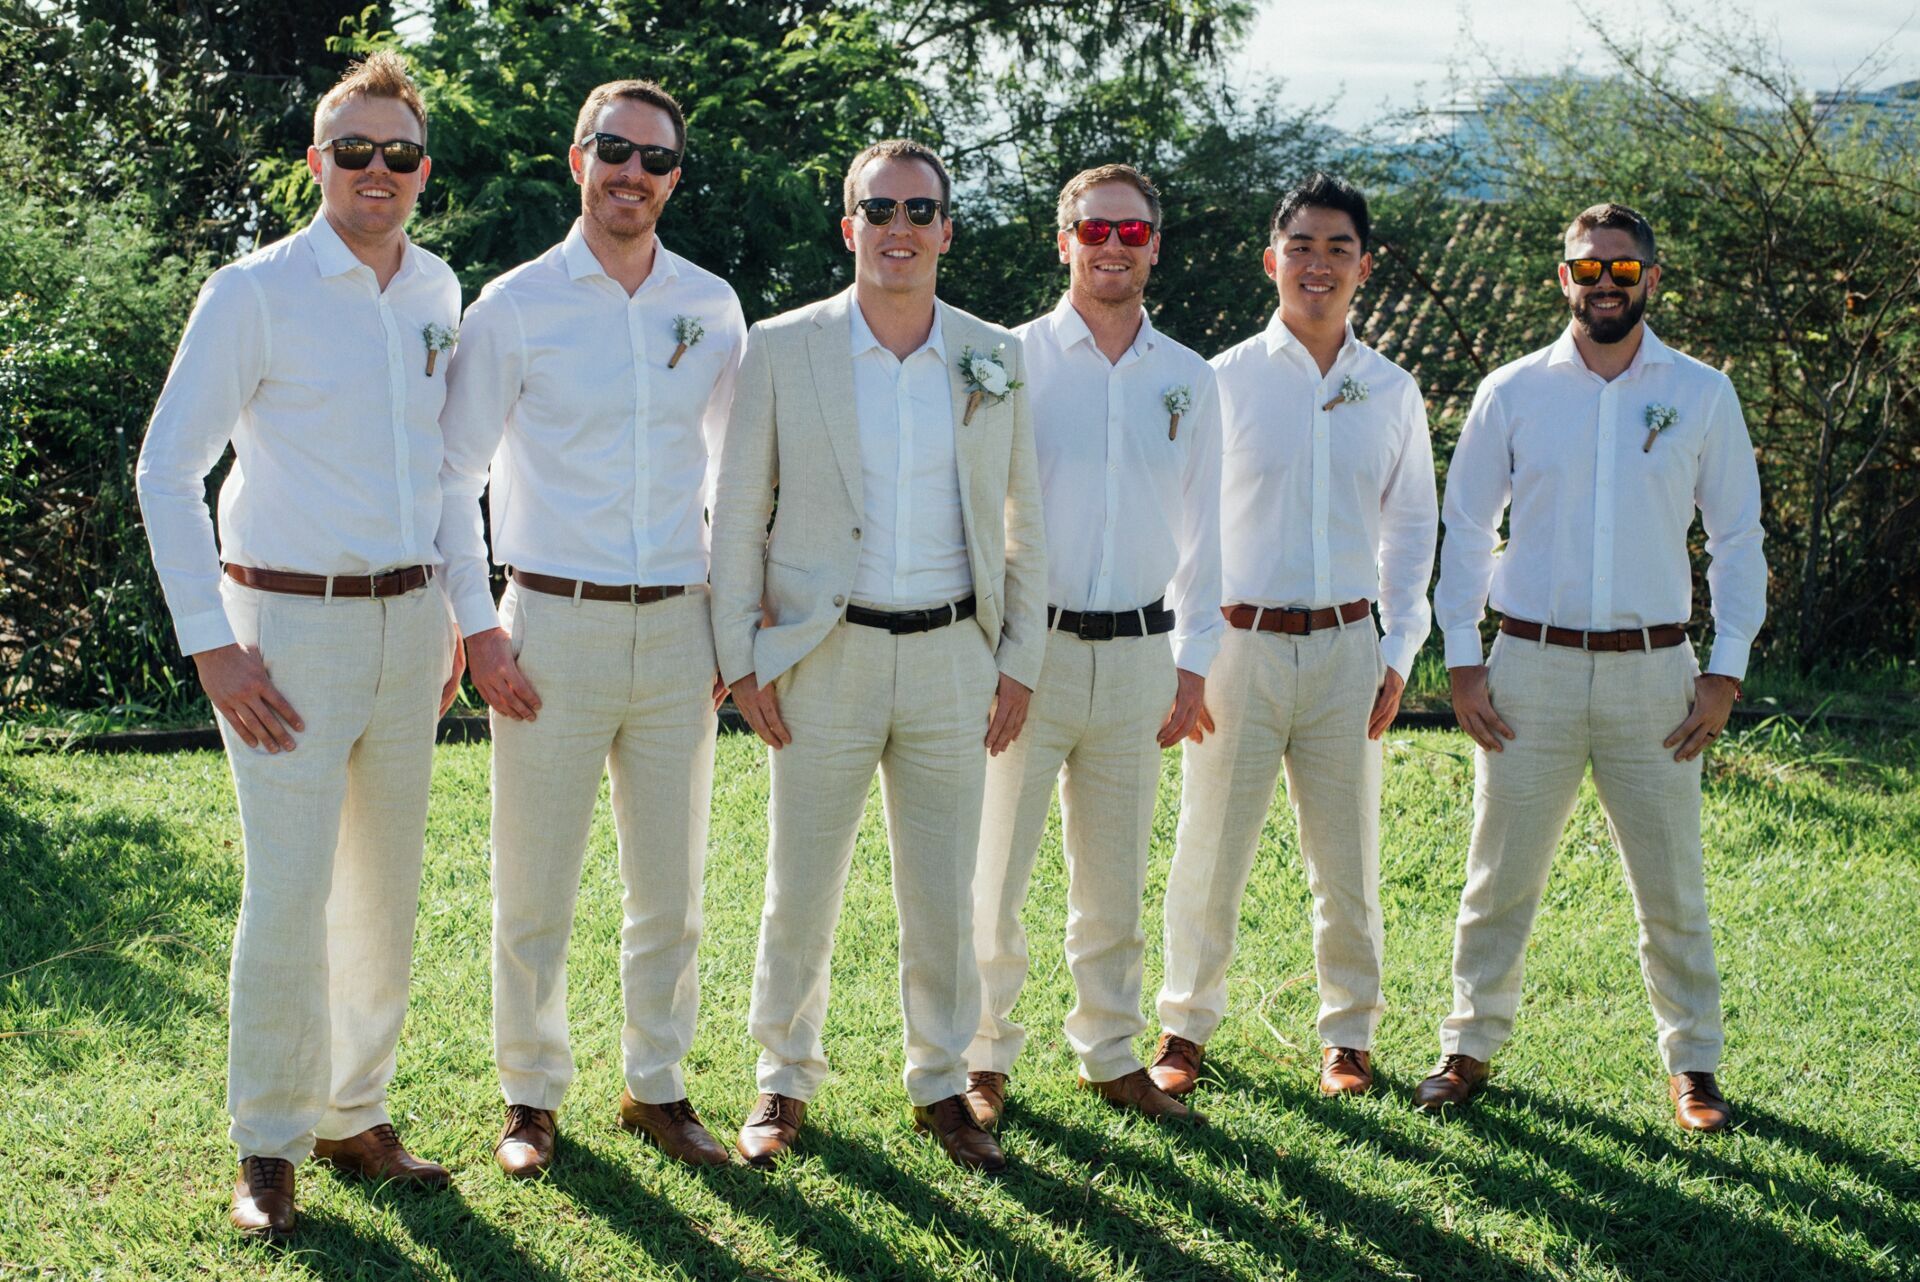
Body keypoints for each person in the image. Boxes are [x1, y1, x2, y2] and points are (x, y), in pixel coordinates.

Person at [135, 52, 464, 1236]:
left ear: (423, 170)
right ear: (317, 161)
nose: (379, 172)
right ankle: (267, 1145)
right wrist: (212, 647)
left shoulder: (438, 289)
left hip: (406, 624)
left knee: (384, 892)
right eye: (355, 151)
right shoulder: (253, 291)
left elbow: (442, 475)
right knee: (288, 896)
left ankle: (352, 1113)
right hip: (281, 630)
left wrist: (450, 620)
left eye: (401, 154)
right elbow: (167, 471)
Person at [709, 139, 1046, 1174]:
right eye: (879, 209)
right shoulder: (782, 348)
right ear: (847, 224)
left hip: (954, 655)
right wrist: (742, 656)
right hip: (823, 653)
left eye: (919, 210)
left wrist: (1020, 658)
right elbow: (737, 517)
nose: (899, 228)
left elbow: (1026, 516)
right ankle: (781, 1081)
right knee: (799, 883)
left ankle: (944, 1082)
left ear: (946, 229)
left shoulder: (993, 353)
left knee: (947, 887)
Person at [439, 79, 747, 1177]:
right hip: (547, 629)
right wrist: (478, 630)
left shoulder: (712, 305)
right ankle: (530, 1098)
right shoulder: (514, 303)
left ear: (674, 176)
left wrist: (729, 626)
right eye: (614, 149)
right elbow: (454, 474)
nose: (634, 172)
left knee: (671, 887)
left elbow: (735, 479)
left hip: (678, 631)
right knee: (535, 885)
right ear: (579, 159)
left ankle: (657, 1086)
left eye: (656, 158)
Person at [1418, 202, 1765, 1133]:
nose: (1603, 284)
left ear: (1652, 280)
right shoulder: (1512, 390)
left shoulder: (1701, 393)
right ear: (1560, 278)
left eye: (1622, 271)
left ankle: (1693, 1065)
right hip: (1528, 666)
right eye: (1587, 269)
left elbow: (1737, 539)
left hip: (1658, 678)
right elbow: (1465, 531)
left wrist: (1725, 671)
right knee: (1497, 877)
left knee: (1673, 886)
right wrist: (1461, 658)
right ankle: (1469, 1046)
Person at [1149, 173, 1438, 1102]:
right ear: (1273, 260)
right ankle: (1184, 1028)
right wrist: (1186, 660)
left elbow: (1413, 531)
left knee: (1347, 858)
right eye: (1302, 247)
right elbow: (1183, 528)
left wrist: (1398, 653)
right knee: (1211, 847)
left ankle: (1348, 1037)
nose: (1319, 265)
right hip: (1239, 648)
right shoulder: (1219, 380)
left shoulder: (1392, 391)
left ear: (1365, 267)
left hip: (1350, 650)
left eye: (1338, 249)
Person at [964, 164, 1220, 1131]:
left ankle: (1111, 1054)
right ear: (1062, 239)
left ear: (1156, 245)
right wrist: (1000, 657)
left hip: (1144, 656)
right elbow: (980, 520)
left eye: (1133, 232)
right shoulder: (1007, 361)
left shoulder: (1188, 378)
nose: (1115, 246)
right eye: (1096, 229)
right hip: (1029, 657)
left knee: (1115, 877)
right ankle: (981, 1058)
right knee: (994, 875)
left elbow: (1208, 533)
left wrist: (1193, 665)